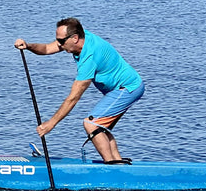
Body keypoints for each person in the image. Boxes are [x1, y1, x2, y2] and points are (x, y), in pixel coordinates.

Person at [14, 18, 144, 163]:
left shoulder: (89, 58)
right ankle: (118, 165)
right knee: (101, 127)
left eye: (62, 41)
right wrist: (28, 46)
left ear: (75, 38)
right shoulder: (82, 37)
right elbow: (47, 49)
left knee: (92, 124)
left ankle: (111, 168)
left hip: (128, 88)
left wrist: (51, 123)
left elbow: (73, 98)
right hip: (121, 89)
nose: (59, 44)